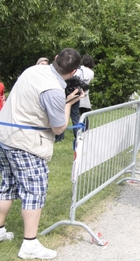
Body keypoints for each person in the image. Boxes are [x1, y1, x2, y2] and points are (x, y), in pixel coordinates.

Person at [0, 48, 83, 259]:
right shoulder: (54, 90)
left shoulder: (32, 71)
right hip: (27, 143)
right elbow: (58, 128)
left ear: (55, 59)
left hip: (6, 135)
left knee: (7, 185)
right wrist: (70, 104)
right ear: (73, 72)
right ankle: (29, 244)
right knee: (34, 192)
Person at [77, 54, 95, 130]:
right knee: (84, 112)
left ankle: (78, 128)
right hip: (85, 92)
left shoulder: (80, 69)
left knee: (75, 112)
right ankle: (86, 128)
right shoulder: (91, 73)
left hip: (78, 91)